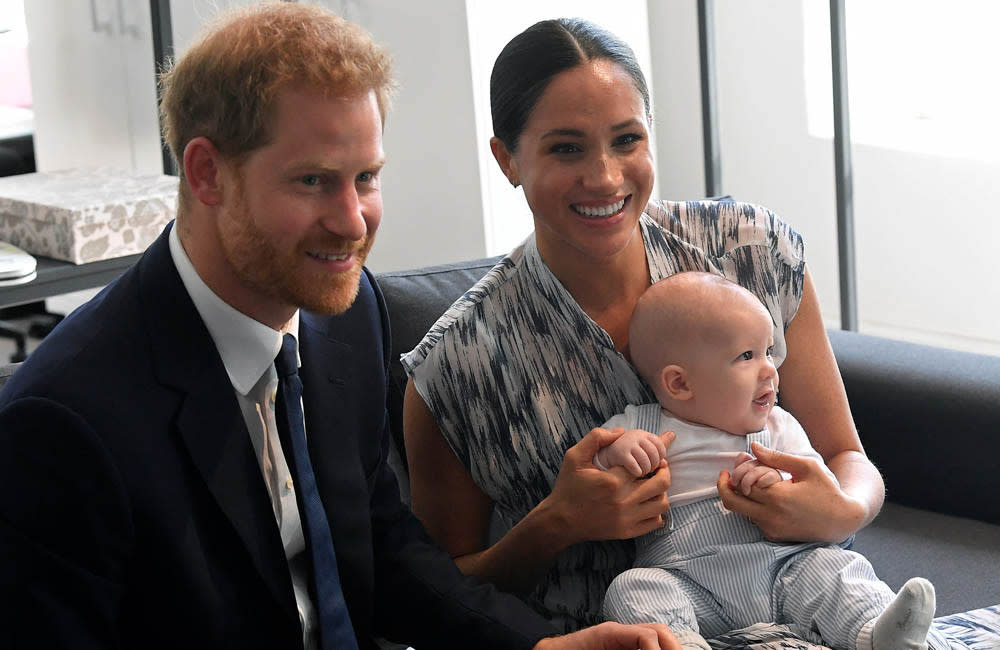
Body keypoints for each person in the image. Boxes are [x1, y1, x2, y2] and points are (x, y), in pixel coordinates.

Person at [0, 5, 681, 649]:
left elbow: (383, 552)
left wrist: (540, 645)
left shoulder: (347, 316)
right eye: (314, 182)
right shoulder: (62, 424)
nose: (354, 223)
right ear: (207, 172)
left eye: (367, 178)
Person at [402, 17, 887, 635]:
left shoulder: (752, 252)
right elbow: (435, 597)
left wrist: (841, 510)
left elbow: (848, 455)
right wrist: (556, 523)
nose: (605, 177)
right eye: (566, 147)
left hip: (806, 612)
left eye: (627, 139)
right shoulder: (456, 365)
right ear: (507, 159)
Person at [595, 271, 950, 650]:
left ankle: (877, 634)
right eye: (746, 356)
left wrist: (778, 484)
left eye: (768, 351)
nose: (769, 369)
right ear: (679, 384)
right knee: (632, 588)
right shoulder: (640, 426)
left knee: (835, 570)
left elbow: (817, 488)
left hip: (785, 570)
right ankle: (681, 643)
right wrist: (619, 452)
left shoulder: (779, 427)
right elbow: (593, 469)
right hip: (688, 579)